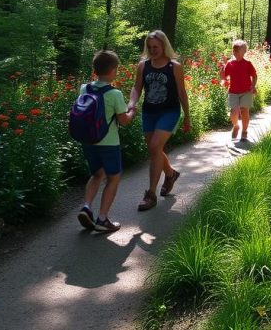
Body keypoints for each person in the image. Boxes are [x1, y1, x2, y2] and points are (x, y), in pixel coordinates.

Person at [128, 30, 190, 211]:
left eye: (156, 46)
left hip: (169, 111)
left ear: (164, 45)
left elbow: (181, 92)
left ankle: (151, 194)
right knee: (154, 149)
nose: (153, 50)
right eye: (149, 47)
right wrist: (131, 103)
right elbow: (136, 88)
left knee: (155, 147)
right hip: (149, 112)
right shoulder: (143, 66)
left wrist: (187, 116)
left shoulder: (174, 66)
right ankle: (170, 174)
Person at [77, 50, 134, 233]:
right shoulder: (115, 94)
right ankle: (102, 219)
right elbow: (124, 121)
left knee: (96, 174)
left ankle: (87, 207)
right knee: (113, 177)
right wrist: (132, 110)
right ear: (113, 70)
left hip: (88, 141)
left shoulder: (84, 88)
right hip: (108, 143)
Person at [219, 39, 257, 143]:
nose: (235, 53)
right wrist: (221, 75)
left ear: (244, 52)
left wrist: (253, 86)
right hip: (233, 91)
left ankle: (244, 132)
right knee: (233, 111)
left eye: (238, 51)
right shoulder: (230, 64)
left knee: (245, 111)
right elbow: (224, 77)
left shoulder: (248, 64)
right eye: (234, 51)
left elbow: (254, 76)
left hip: (246, 91)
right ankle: (236, 126)